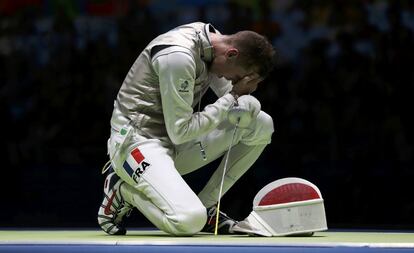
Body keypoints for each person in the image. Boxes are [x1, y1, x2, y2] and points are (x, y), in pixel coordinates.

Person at [97, 22, 276, 236]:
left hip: (174, 142)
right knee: (190, 221)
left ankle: (207, 206)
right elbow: (182, 129)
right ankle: (124, 191)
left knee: (262, 124)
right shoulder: (178, 56)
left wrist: (244, 99)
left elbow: (234, 103)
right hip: (137, 143)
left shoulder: (215, 47)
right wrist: (234, 96)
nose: (232, 81)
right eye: (238, 77)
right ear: (232, 54)